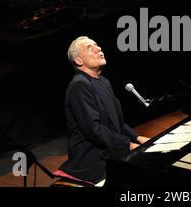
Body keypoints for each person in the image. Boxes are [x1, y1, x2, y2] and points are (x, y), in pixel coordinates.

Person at [56, 36, 150, 186]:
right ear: (79, 61)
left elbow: (117, 122)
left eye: (97, 44)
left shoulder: (103, 81)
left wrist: (137, 137)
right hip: (94, 157)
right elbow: (94, 129)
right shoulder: (79, 85)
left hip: (111, 147)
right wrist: (128, 145)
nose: (98, 48)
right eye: (89, 47)